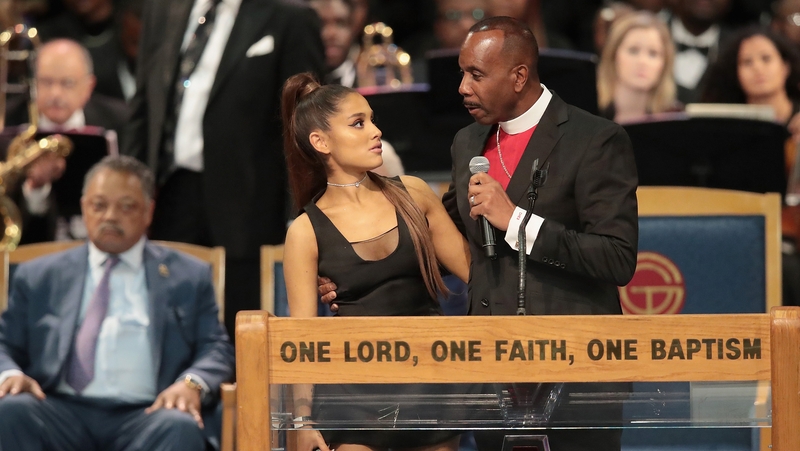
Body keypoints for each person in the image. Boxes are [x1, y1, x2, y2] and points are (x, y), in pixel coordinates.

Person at [320, 16, 637, 451]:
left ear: (519, 76)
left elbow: (616, 258)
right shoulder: (467, 143)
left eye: (477, 74)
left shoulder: (595, 140)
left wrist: (517, 221)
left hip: (577, 375)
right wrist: (353, 274)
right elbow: (436, 236)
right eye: (462, 73)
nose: (462, 87)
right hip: (492, 378)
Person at [281, 72, 471, 451]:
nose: (375, 131)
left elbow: (480, 278)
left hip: (429, 380)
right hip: (353, 394)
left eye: (372, 119)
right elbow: (303, 339)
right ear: (320, 142)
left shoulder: (414, 193)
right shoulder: (304, 231)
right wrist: (301, 422)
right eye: (358, 123)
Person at [0, 155, 235, 451]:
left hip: (147, 414)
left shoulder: (188, 275)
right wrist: (10, 374)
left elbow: (216, 347)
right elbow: (4, 343)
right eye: (99, 205)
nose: (110, 216)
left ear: (148, 211)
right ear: (84, 208)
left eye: (126, 207)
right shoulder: (39, 275)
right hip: (58, 410)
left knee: (180, 427)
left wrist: (191, 384)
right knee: (10, 411)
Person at [123, 0, 326, 337]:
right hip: (170, 192)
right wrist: (130, 188)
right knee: (170, 321)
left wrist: (301, 212)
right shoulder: (163, 10)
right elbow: (144, 103)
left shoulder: (289, 17)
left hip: (250, 207)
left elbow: (304, 124)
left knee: (241, 330)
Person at [701, 27, 800, 308]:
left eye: (766, 59)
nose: (757, 68)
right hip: (742, 232)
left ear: (786, 67)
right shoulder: (726, 131)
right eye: (747, 62)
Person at [4, 38, 129, 244]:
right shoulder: (8, 121)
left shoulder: (120, 121)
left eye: (67, 83)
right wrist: (35, 188)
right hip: (27, 245)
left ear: (89, 86)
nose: (55, 93)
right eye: (46, 82)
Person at [596, 10, 679, 123]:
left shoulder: (675, 119)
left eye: (653, 53)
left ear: (665, 63)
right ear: (614, 55)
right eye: (633, 51)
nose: (642, 61)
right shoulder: (585, 113)